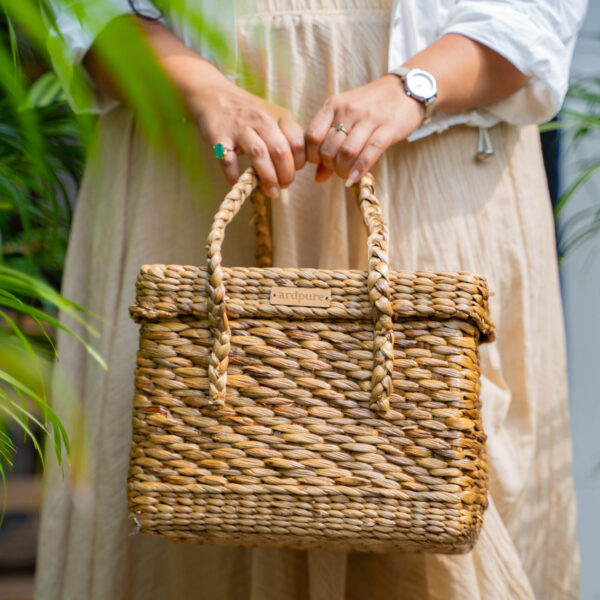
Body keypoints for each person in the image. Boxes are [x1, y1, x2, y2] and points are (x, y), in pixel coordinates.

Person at [35, 1, 586, 598]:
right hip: (193, 149)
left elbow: (534, 13)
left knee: (438, 504)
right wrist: (205, 91)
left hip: (435, 153)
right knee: (182, 501)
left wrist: (415, 87)